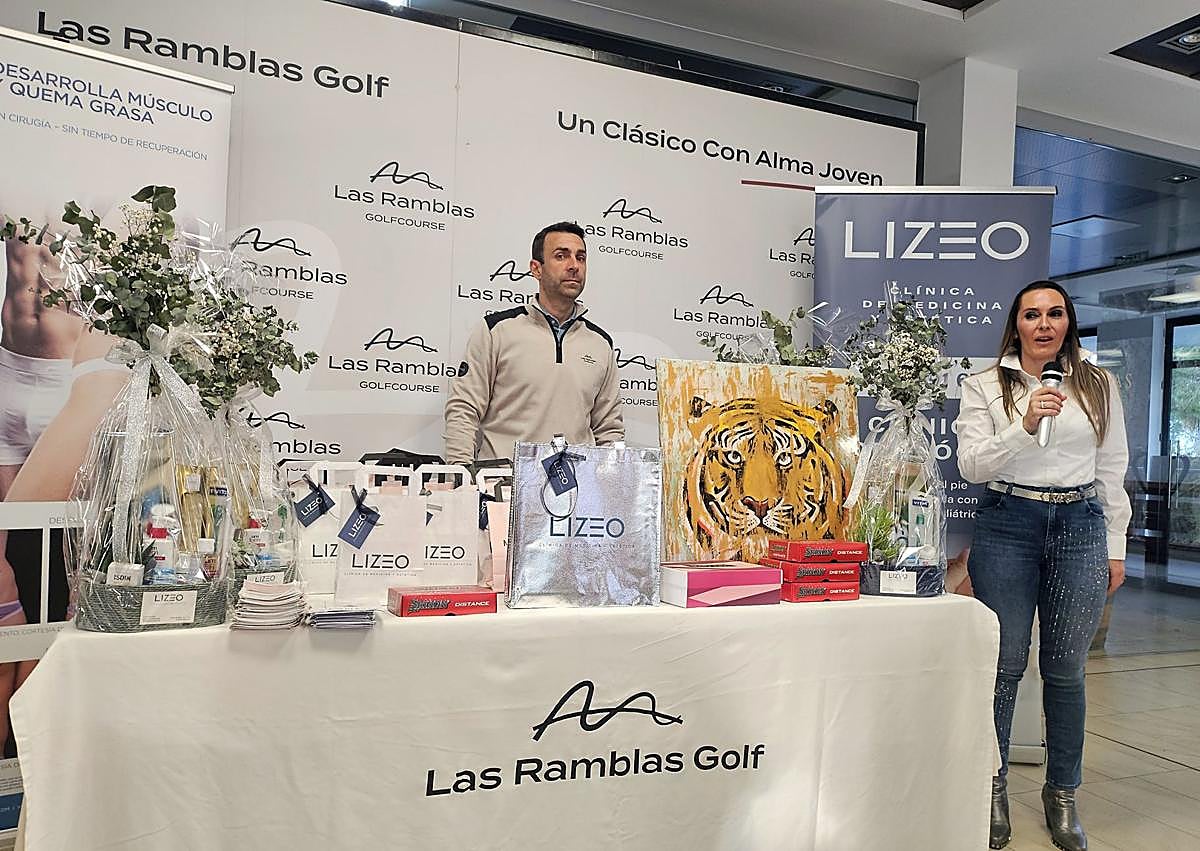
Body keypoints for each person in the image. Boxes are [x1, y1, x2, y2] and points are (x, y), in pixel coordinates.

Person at [956, 280, 1130, 851]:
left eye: (1055, 313)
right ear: (1017, 325)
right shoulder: (984, 385)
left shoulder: (1098, 384)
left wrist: (1116, 544)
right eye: (1032, 314)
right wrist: (1025, 422)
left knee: (1065, 671)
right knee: (1004, 666)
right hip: (1008, 523)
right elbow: (974, 466)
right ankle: (993, 789)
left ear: (1068, 323)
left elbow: (1111, 467)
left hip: (1079, 526)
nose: (1044, 324)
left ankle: (1062, 795)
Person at [444, 221, 623, 464]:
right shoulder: (496, 331)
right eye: (561, 256)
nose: (574, 266)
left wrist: (611, 485)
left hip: (579, 493)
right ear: (536, 269)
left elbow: (609, 429)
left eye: (580, 258)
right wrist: (462, 478)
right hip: (504, 489)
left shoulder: (600, 343)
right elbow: (463, 411)